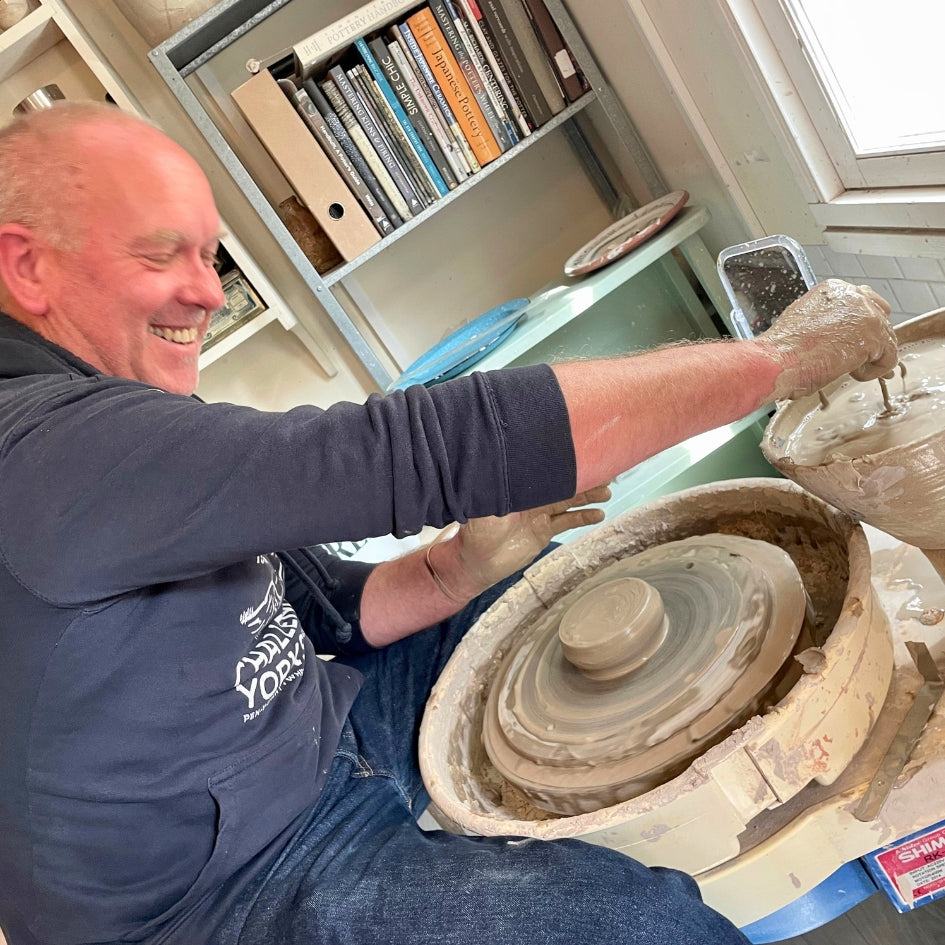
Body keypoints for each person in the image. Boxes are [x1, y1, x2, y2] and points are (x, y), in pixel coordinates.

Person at [0, 103, 897, 945]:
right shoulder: (40, 452)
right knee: (628, 922)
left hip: (319, 740)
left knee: (542, 579)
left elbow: (334, 617)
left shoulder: (122, 424)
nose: (205, 294)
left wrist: (459, 569)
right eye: (164, 256)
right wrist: (775, 360)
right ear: (26, 265)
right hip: (222, 897)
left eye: (212, 259)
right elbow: (428, 445)